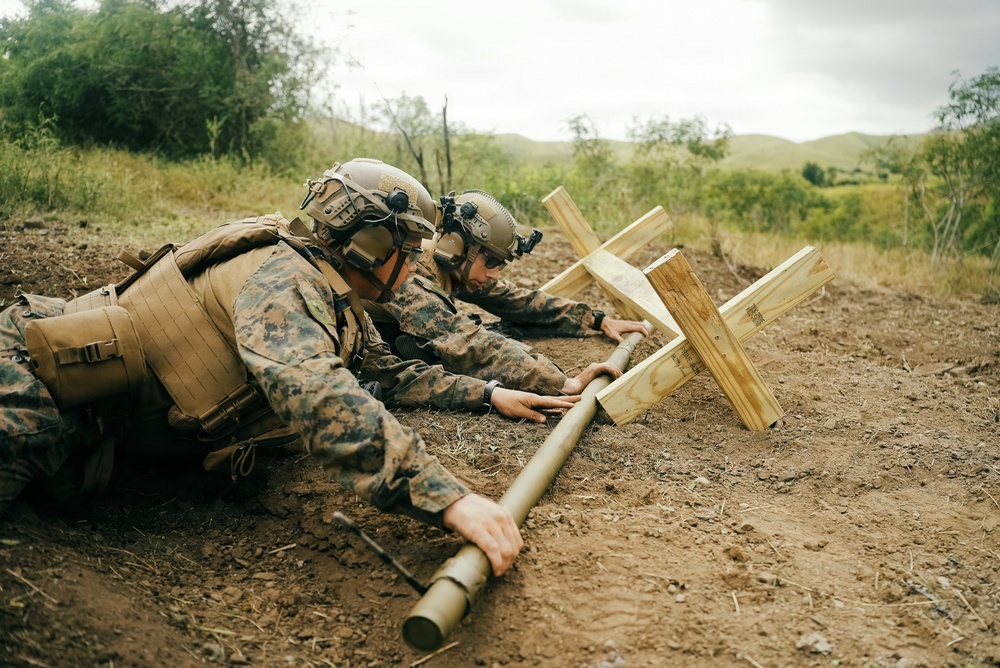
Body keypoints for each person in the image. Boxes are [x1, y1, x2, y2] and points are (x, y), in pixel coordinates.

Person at [0, 158, 577, 576]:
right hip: (34, 376)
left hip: (103, 420)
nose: (417, 262)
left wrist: (489, 394)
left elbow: (388, 375)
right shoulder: (284, 278)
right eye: (407, 247)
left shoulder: (338, 300)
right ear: (372, 245)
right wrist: (447, 497)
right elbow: (318, 393)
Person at [365, 190, 650, 395]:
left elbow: (513, 299)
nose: (493, 274)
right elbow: (466, 342)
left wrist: (596, 320)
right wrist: (561, 382)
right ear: (456, 246)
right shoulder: (410, 277)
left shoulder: (447, 265)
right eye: (490, 263)